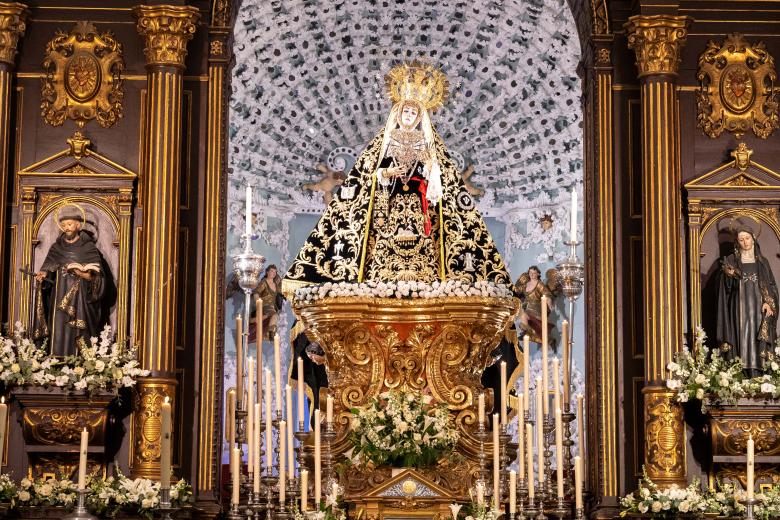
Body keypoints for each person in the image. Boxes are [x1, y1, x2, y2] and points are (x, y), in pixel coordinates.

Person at [283, 61, 510, 293]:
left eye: (414, 112)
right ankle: (381, 270)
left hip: (419, 204)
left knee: (424, 236)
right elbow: (372, 174)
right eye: (406, 111)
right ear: (398, 113)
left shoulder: (427, 143)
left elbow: (440, 183)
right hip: (390, 203)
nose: (410, 115)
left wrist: (431, 172)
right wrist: (387, 173)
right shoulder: (386, 142)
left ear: (420, 116)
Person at [32, 204, 107, 356]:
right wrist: (44, 275)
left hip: (81, 300)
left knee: (80, 331)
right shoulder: (56, 247)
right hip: (59, 296)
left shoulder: (88, 247)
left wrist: (81, 272)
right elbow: (48, 266)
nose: (67, 228)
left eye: (70, 224)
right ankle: (55, 359)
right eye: (64, 225)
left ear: (78, 226)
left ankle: (81, 361)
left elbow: (97, 277)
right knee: (58, 328)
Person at [717, 228, 778, 376]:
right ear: (737, 242)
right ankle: (741, 373)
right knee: (741, 336)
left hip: (758, 308)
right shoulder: (731, 260)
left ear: (753, 239)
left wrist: (768, 302)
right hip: (739, 307)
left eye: (747, 238)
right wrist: (728, 276)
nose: (745, 242)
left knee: (757, 337)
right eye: (741, 239)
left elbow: (771, 286)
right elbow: (724, 288)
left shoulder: (762, 262)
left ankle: (759, 373)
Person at [514, 266, 555, 345]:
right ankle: (527, 332)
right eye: (530, 273)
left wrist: (549, 304)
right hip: (526, 307)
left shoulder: (540, 284)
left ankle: (527, 332)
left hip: (536, 307)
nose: (532, 275)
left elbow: (547, 295)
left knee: (523, 315)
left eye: (534, 273)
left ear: (538, 274)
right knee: (520, 315)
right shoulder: (526, 284)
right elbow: (517, 291)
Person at [257, 264, 285, 340]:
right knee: (274, 315)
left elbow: (281, 293)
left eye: (275, 272)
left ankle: (270, 333)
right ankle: (270, 334)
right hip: (266, 305)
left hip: (274, 306)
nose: (274, 273)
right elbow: (256, 292)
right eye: (272, 271)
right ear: (267, 272)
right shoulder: (264, 282)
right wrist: (258, 303)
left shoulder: (276, 284)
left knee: (274, 316)